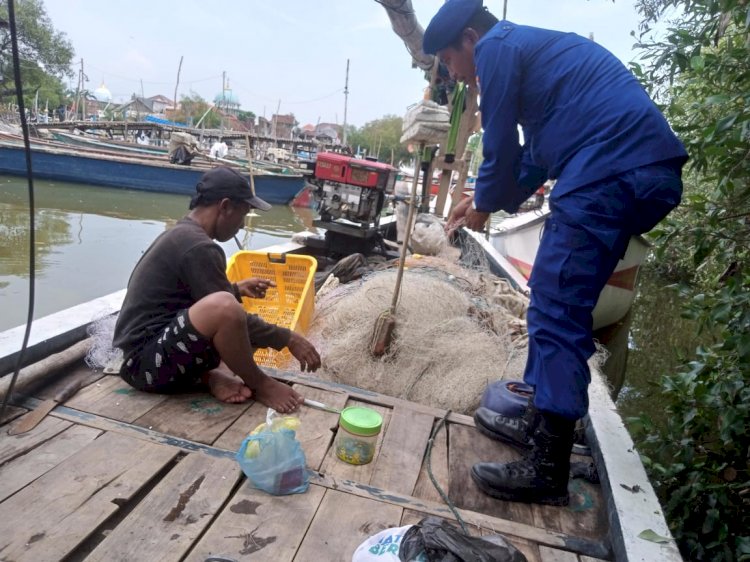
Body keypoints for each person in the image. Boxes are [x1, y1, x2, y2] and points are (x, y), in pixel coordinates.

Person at [423, 0, 687, 505]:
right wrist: (481, 200)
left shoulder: (498, 47)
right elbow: (533, 162)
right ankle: (544, 418)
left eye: (451, 63)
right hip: (639, 171)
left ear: (471, 40)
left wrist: (484, 198)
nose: (457, 78)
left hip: (612, 171)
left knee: (555, 307)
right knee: (560, 302)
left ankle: (547, 469)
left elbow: (499, 146)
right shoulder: (540, 66)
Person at [113, 166, 322, 413]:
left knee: (235, 317)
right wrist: (288, 338)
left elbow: (188, 299)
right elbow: (224, 311)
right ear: (225, 207)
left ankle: (210, 376)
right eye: (243, 214)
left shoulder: (184, 234)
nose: (242, 225)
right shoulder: (199, 247)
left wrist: (236, 289)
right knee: (230, 312)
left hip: (153, 356)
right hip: (145, 366)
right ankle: (260, 384)